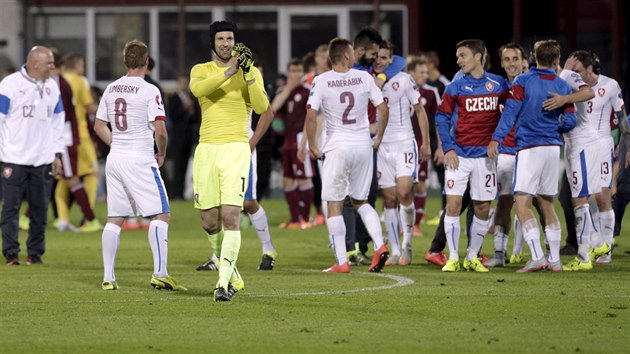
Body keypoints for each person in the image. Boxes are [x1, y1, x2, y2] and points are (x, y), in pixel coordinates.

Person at [93, 39, 185, 291]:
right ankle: (160, 273)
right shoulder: (149, 90)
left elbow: (98, 125)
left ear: (125, 61)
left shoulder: (111, 89)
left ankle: (109, 277)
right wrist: (162, 153)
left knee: (115, 218)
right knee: (161, 214)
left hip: (116, 159)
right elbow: (161, 131)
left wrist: (117, 144)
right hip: (140, 158)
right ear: (146, 62)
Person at [189, 20, 270, 301]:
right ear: (212, 43)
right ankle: (234, 274)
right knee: (209, 222)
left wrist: (247, 75)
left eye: (230, 39)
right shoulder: (201, 70)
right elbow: (200, 91)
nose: (226, 43)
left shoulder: (251, 72)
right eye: (221, 39)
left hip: (236, 148)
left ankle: (223, 284)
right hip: (207, 150)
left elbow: (261, 107)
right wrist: (231, 70)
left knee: (231, 217)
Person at [488, 39, 577, 273]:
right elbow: (570, 120)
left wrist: (497, 137)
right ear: (557, 60)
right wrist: (556, 123)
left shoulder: (523, 81)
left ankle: (537, 256)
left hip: (529, 147)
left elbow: (510, 113)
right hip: (552, 149)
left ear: (533, 59)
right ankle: (555, 260)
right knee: (547, 203)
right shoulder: (562, 86)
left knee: (522, 203)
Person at [305, 37, 390, 273]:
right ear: (345, 56)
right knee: (360, 201)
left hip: (337, 147)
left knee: (334, 204)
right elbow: (383, 108)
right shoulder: (364, 78)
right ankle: (380, 245)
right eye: (351, 53)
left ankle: (341, 261)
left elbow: (311, 115)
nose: (354, 56)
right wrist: (379, 136)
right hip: (363, 145)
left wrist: (312, 145)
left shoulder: (321, 81)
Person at [436, 39, 509, 273]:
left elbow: (511, 113)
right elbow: (441, 117)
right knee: (453, 205)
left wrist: (497, 138)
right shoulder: (455, 87)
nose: (459, 60)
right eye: (458, 56)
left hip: (485, 158)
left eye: (463, 55)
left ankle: (471, 256)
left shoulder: (498, 84)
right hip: (459, 156)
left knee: (482, 208)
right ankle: (453, 257)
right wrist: (448, 147)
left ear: (479, 56)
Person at [0, 45, 65, 265]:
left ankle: (35, 253)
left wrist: (57, 154)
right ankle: (11, 253)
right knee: (10, 209)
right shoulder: (10, 85)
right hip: (13, 158)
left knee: (39, 211)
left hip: (43, 159)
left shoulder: (52, 86)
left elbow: (58, 121)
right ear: (34, 62)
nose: (53, 67)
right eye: (49, 63)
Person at [561, 50, 626, 265]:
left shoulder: (611, 85)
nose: (576, 75)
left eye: (579, 71)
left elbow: (621, 117)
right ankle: (592, 244)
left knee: (603, 197)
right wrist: (565, 73)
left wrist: (625, 148)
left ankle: (603, 250)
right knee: (581, 197)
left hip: (602, 144)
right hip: (578, 144)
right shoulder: (569, 83)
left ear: (590, 69)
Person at [197, 108, 277, 271]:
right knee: (216, 204)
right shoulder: (210, 82)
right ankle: (218, 257)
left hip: (240, 147)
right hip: (215, 149)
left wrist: (252, 143)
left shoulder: (248, 82)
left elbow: (267, 112)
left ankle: (268, 250)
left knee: (248, 202)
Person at [373, 41, 430, 266]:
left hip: (404, 143)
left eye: (384, 57)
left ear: (391, 60)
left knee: (404, 193)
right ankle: (395, 250)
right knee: (388, 198)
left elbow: (419, 110)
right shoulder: (369, 81)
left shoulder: (404, 80)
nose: (379, 61)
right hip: (381, 146)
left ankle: (407, 244)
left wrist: (425, 142)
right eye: (376, 57)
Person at [483, 43, 528, 267]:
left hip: (529, 152)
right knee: (504, 202)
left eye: (515, 59)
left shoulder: (532, 85)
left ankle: (549, 253)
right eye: (507, 59)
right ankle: (499, 253)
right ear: (501, 63)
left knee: (539, 203)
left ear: (523, 61)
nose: (511, 63)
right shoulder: (497, 88)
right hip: (505, 154)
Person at [49, 48, 102, 233]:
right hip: (74, 136)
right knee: (86, 175)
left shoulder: (59, 82)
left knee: (62, 178)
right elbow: (87, 109)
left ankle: (63, 219)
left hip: (63, 135)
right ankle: (89, 218)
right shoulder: (76, 82)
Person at [271, 58, 315, 229]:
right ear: (288, 73)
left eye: (298, 71)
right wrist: (288, 88)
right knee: (287, 180)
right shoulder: (284, 91)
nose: (296, 74)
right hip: (287, 141)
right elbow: (273, 109)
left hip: (300, 139)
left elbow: (311, 117)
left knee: (304, 179)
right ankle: (295, 220)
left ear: (302, 73)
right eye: (293, 71)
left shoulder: (307, 91)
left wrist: (306, 141)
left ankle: (305, 218)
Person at [407, 56, 442, 238]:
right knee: (403, 188)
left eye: (427, 72)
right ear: (411, 73)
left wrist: (440, 147)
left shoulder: (430, 92)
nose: (425, 76)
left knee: (420, 186)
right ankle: (403, 225)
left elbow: (439, 121)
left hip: (421, 146)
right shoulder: (402, 90)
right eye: (422, 72)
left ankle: (416, 225)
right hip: (402, 146)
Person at [167, 74, 200, 200]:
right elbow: (173, 115)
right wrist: (184, 108)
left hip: (188, 138)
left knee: (185, 166)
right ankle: (176, 194)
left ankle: (182, 193)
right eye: (182, 82)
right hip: (177, 138)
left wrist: (191, 112)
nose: (184, 85)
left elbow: (196, 117)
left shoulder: (192, 97)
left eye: (186, 82)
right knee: (177, 167)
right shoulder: (174, 98)